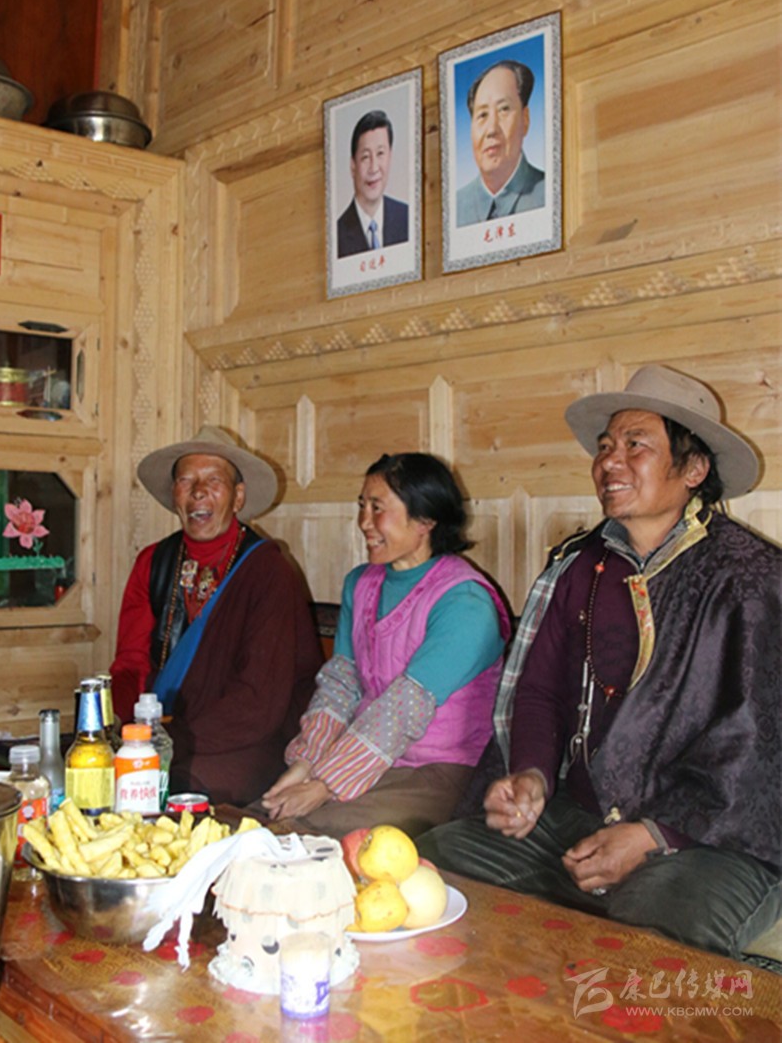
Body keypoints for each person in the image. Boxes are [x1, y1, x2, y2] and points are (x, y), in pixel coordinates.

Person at [418, 365, 781, 960]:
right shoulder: (580, 566)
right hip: (577, 814)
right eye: (606, 446)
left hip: (710, 837)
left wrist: (651, 835)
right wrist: (532, 777)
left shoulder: (751, 579)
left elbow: (759, 750)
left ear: (693, 469)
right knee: (435, 870)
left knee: (650, 941)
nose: (610, 461)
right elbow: (538, 691)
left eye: (636, 445)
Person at [261, 453, 511, 838]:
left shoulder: (465, 604)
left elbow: (403, 708)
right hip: (363, 756)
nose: (364, 522)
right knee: (259, 819)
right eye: (362, 506)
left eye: (378, 508)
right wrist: (306, 763)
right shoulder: (360, 583)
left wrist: (325, 784)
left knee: (306, 834)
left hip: (439, 771)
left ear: (426, 520)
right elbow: (341, 682)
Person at [110, 425, 322, 805]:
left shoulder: (267, 571)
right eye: (186, 480)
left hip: (244, 739)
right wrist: (134, 733)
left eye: (214, 480)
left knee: (183, 787)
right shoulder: (153, 563)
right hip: (157, 731)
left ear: (238, 497)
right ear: (174, 494)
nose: (198, 491)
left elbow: (259, 700)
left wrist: (175, 740)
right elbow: (130, 664)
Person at [456, 59, 545, 228]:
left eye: (504, 109)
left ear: (525, 119)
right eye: (482, 115)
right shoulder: (456, 208)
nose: (491, 130)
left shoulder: (549, 193)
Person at [337, 110, 409, 258]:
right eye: (365, 157)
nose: (374, 168)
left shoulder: (406, 217)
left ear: (390, 156)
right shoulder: (337, 234)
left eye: (380, 154)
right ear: (353, 165)